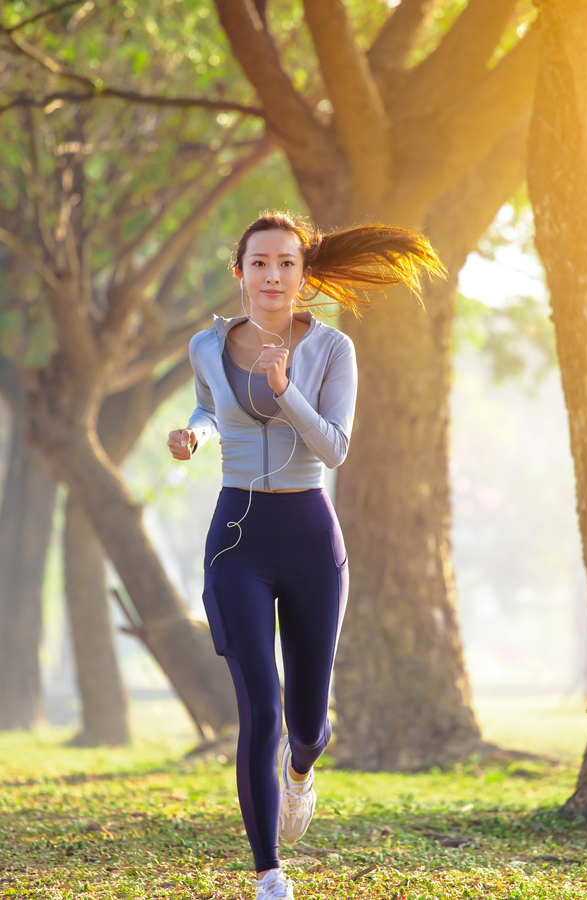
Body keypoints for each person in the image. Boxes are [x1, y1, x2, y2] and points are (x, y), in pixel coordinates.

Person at [167, 212, 444, 899]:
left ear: (305, 275)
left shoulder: (333, 351)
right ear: (240, 273)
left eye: (287, 264)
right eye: (259, 263)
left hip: (311, 537)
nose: (273, 276)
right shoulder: (206, 345)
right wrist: (195, 436)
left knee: (308, 724)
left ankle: (301, 770)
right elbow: (210, 406)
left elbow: (335, 448)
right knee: (260, 706)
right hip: (237, 536)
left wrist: (286, 391)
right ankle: (268, 874)